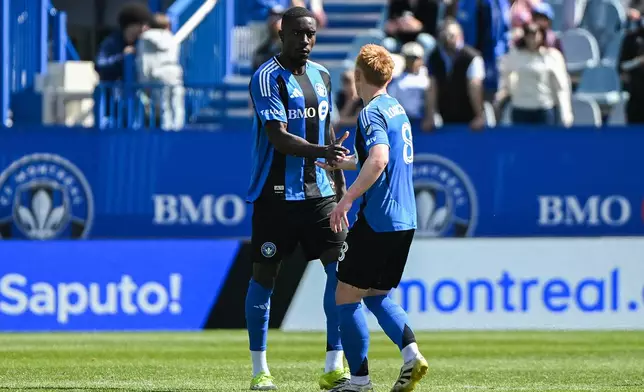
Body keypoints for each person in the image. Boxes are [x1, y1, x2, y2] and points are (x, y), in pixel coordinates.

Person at [247, 6, 351, 391]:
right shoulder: (266, 78)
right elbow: (278, 137)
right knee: (264, 278)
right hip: (275, 197)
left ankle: (334, 365)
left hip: (321, 196)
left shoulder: (323, 76)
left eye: (310, 35)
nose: (305, 41)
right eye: (297, 34)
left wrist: (340, 193)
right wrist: (323, 153)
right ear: (281, 34)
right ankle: (260, 370)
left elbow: (330, 140)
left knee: (341, 275)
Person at [317, 44, 428, 392]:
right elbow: (383, 158)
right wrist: (346, 163)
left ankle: (360, 381)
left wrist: (347, 198)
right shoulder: (396, 109)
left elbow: (379, 160)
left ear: (358, 77)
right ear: (390, 75)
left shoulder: (370, 112)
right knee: (376, 295)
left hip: (379, 219)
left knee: (345, 296)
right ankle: (412, 356)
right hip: (405, 220)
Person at [495, 22, 572, 126]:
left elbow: (561, 86)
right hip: (520, 108)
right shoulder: (515, 55)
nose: (532, 39)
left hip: (543, 109)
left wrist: (566, 112)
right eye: (529, 35)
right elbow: (505, 75)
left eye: (535, 34)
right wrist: (507, 92)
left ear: (541, 35)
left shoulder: (552, 56)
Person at [423, 18, 486, 130]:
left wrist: (479, 116)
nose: (447, 39)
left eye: (451, 35)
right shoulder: (434, 57)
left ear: (460, 36)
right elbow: (432, 87)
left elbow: (475, 86)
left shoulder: (472, 57)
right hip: (446, 114)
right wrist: (430, 116)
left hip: (470, 117)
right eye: (444, 35)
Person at [136, 13, 184, 130]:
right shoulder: (171, 38)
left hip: (158, 74)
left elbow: (144, 62)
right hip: (174, 72)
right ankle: (178, 131)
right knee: (177, 105)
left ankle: (166, 135)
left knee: (163, 106)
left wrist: (144, 83)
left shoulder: (145, 39)